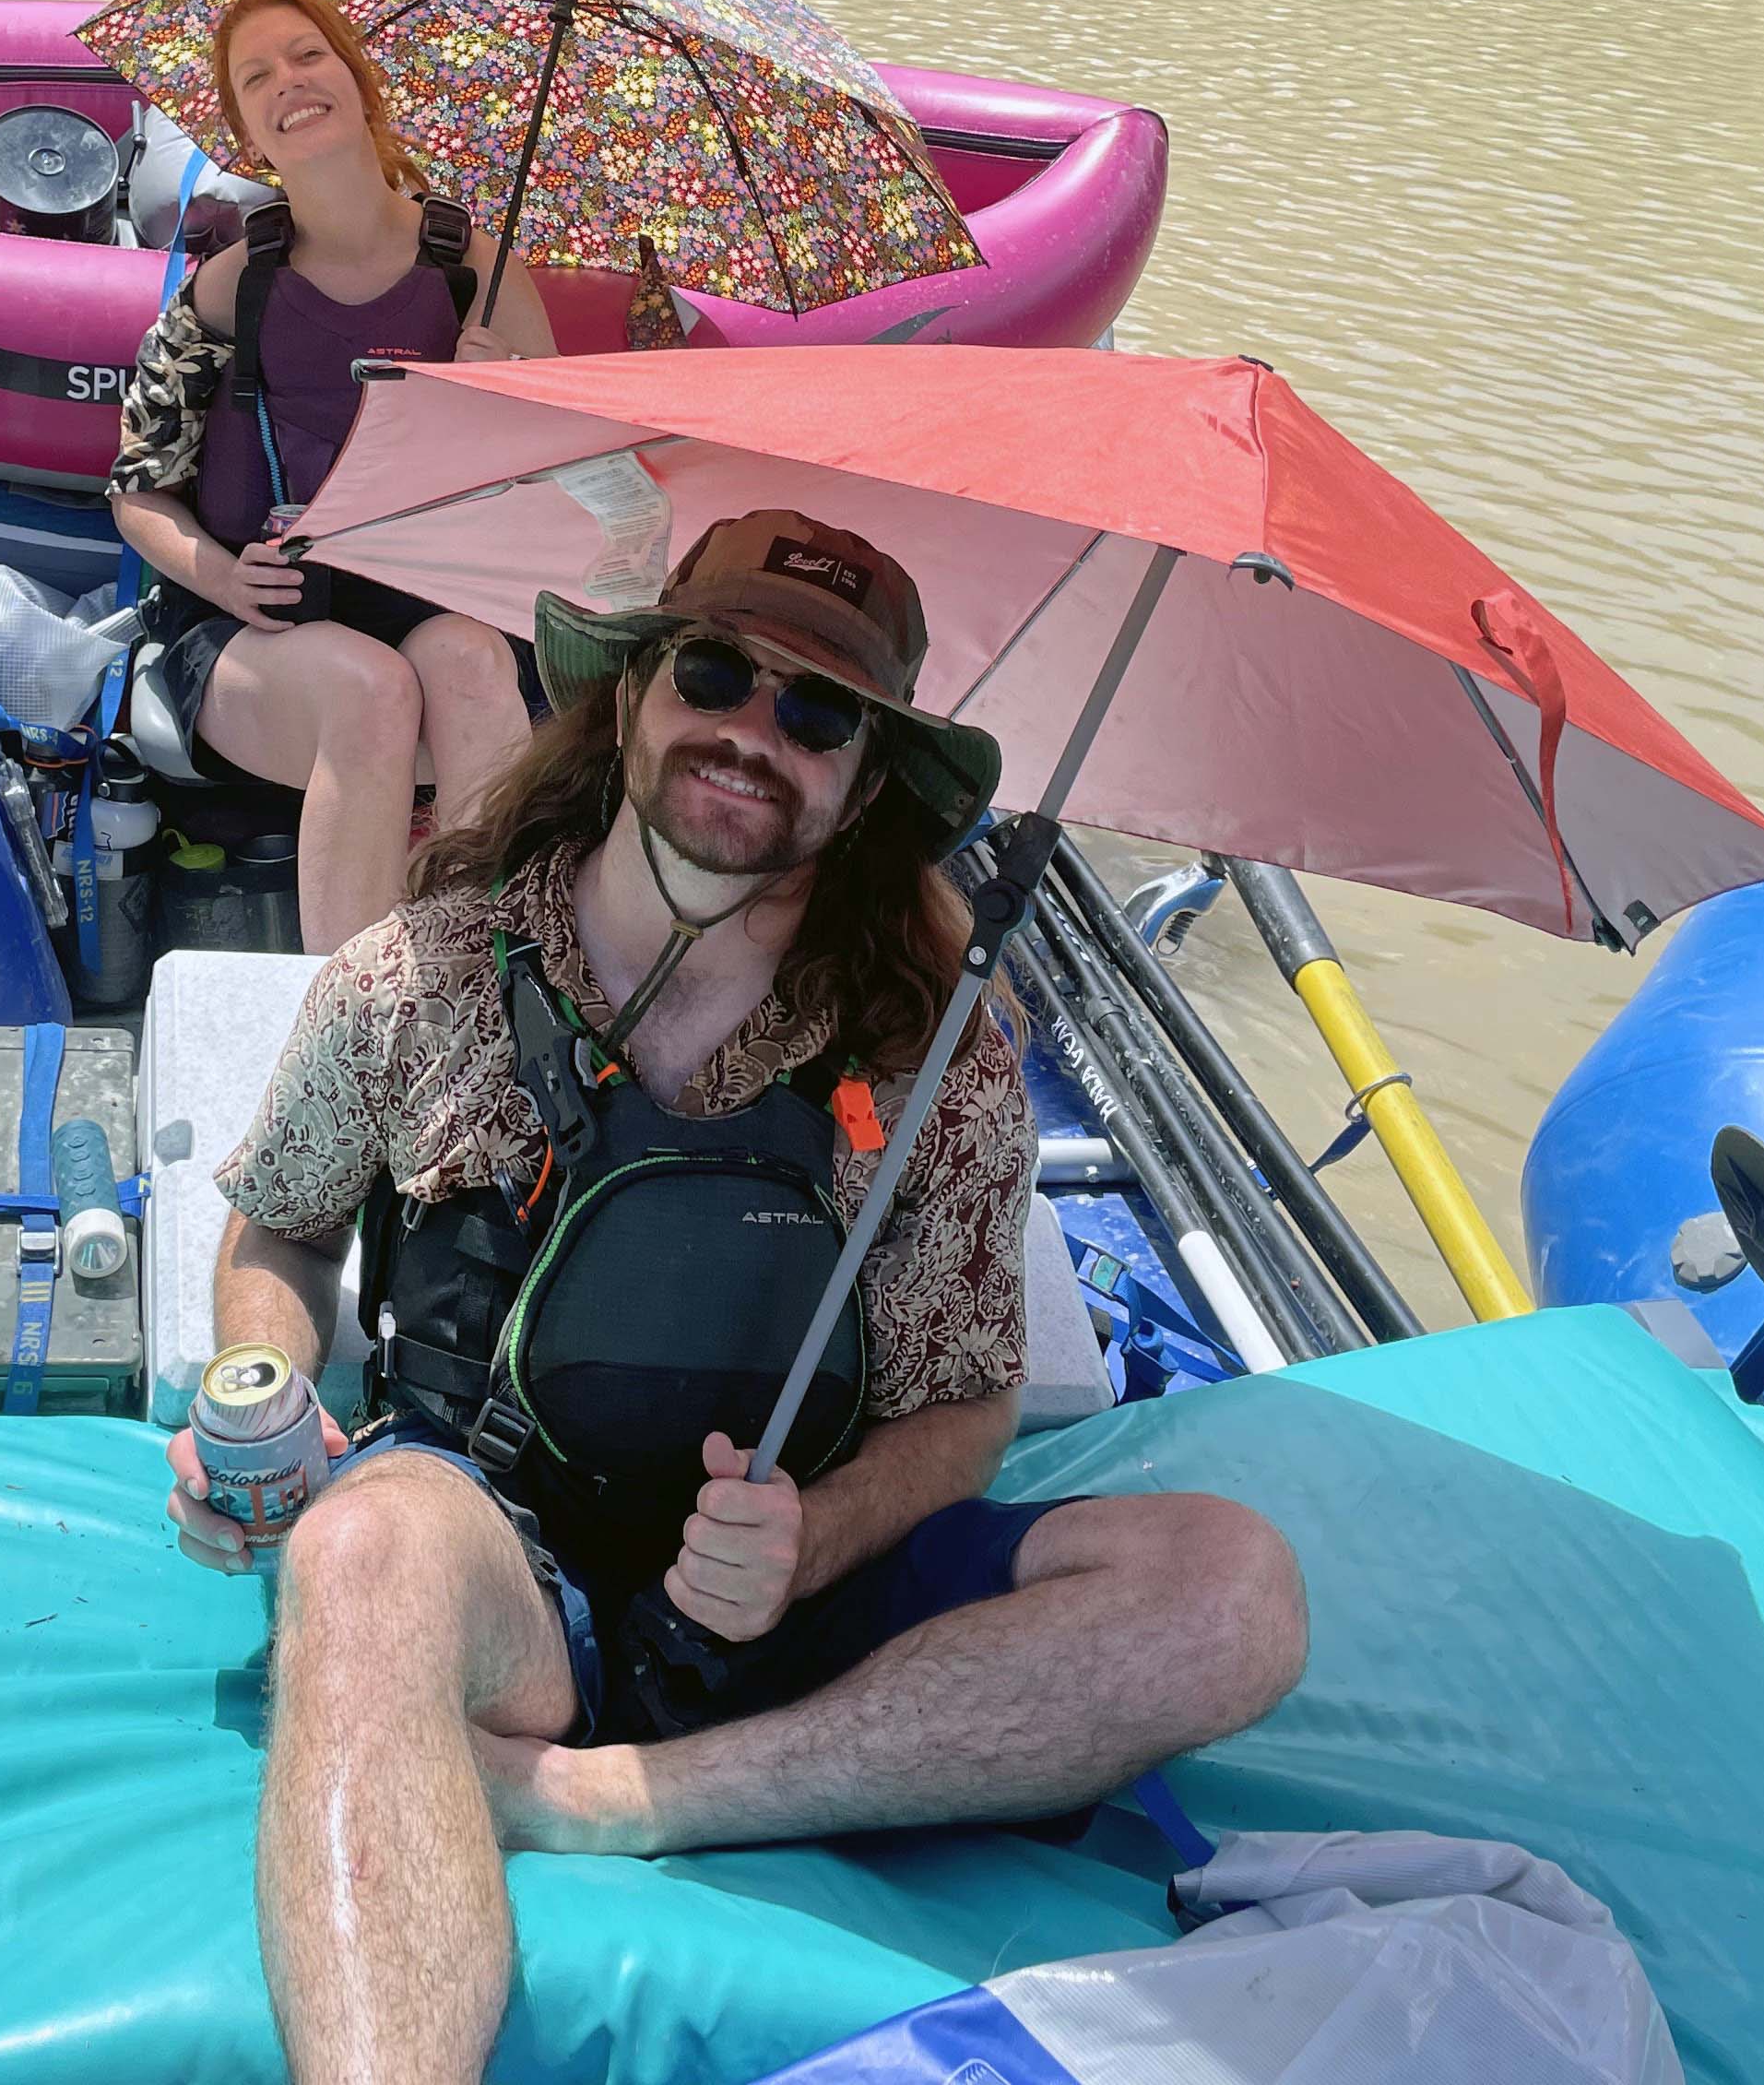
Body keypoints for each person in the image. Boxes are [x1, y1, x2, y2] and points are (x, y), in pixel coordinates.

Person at [165, 512, 1309, 2085]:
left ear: (862, 782)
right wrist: (264, 1379)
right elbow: (276, 1236)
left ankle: (615, 1796)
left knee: (1233, 1585)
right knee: (359, 1550)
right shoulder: (413, 975)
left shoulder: (941, 1063)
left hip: (801, 1621)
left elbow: (966, 1393)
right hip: (501, 1563)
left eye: (818, 712)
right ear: (631, 695)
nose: (754, 730)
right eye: (714, 670)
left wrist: (814, 1536)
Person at [110, 0, 558, 952]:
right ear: (246, 133)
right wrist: (222, 577)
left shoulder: (481, 275)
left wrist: (510, 405)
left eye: (308, 56)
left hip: (436, 605)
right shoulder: (227, 292)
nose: (289, 83)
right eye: (256, 76)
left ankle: (490, 987)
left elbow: (567, 496)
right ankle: (349, 1038)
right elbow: (140, 491)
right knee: (368, 691)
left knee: (476, 665)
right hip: (253, 633)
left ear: (359, 83)